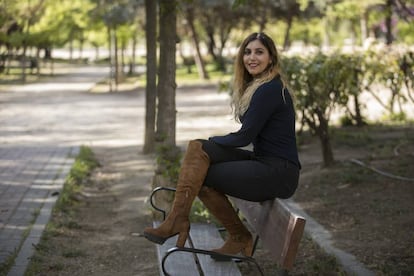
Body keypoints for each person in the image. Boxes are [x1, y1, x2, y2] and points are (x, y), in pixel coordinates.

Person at [143, 32, 301, 259]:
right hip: (265, 163)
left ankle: (198, 225)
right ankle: (188, 222)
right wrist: (204, 145)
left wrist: (210, 143)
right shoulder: (259, 86)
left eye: (259, 52)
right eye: (247, 52)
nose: (251, 57)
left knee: (201, 155)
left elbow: (243, 137)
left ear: (271, 58)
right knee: (199, 154)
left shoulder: (270, 89)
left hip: (279, 172)